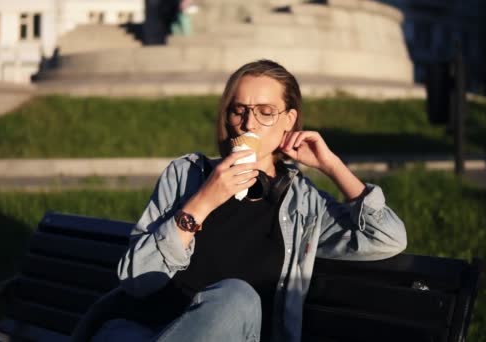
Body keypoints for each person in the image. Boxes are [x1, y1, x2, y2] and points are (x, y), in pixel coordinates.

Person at [92, 59, 407, 342]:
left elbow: (386, 237)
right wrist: (202, 203)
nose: (248, 123)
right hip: (147, 330)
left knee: (236, 298)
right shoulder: (187, 175)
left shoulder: (302, 205)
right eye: (238, 109)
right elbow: (135, 280)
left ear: (289, 119)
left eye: (265, 112)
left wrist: (332, 166)